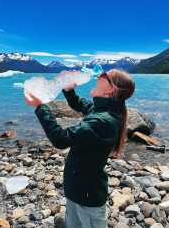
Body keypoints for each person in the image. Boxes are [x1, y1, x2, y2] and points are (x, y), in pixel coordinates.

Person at [25, 69, 135, 228]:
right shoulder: (102, 110)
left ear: (111, 89)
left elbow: (60, 139)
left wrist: (40, 107)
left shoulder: (104, 120)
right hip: (78, 191)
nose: (99, 75)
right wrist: (68, 89)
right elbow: (79, 104)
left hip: (88, 199)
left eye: (104, 75)